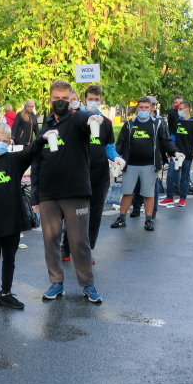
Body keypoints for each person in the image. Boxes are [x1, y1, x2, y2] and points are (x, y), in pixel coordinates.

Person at [34, 79, 104, 303]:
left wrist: (93, 118)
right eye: (57, 98)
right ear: (50, 99)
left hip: (76, 193)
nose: (61, 102)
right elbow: (36, 162)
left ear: (71, 100)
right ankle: (56, 282)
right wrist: (35, 195)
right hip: (48, 194)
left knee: (79, 242)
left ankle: (88, 284)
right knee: (51, 241)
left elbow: (87, 119)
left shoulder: (77, 119)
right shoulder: (45, 126)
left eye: (65, 98)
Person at [0, 123, 46, 312]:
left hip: (13, 220)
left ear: (10, 142)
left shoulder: (15, 161)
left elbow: (30, 151)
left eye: (5, 141)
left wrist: (42, 138)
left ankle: (6, 293)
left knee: (10, 259)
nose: (1, 143)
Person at [61, 85, 125, 260]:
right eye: (91, 99)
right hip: (78, 173)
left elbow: (109, 147)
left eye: (97, 99)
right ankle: (66, 248)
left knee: (94, 214)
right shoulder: (77, 119)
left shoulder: (106, 123)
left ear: (101, 100)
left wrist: (116, 157)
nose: (93, 102)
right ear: (85, 99)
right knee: (74, 212)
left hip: (99, 174)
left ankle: (86, 250)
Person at [111, 96, 176, 232]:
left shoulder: (157, 124)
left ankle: (148, 220)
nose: (144, 110)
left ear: (151, 108)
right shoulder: (129, 124)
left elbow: (166, 141)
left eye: (146, 107)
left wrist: (175, 152)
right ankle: (121, 218)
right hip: (130, 164)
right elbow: (120, 143)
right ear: (137, 108)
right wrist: (115, 157)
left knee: (148, 194)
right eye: (141, 107)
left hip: (149, 165)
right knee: (127, 192)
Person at [160, 95, 183, 206]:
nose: (178, 104)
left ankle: (177, 188)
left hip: (182, 144)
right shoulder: (173, 113)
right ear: (173, 104)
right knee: (173, 169)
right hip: (174, 142)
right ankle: (170, 193)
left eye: (180, 102)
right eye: (176, 102)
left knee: (179, 168)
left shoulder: (182, 114)